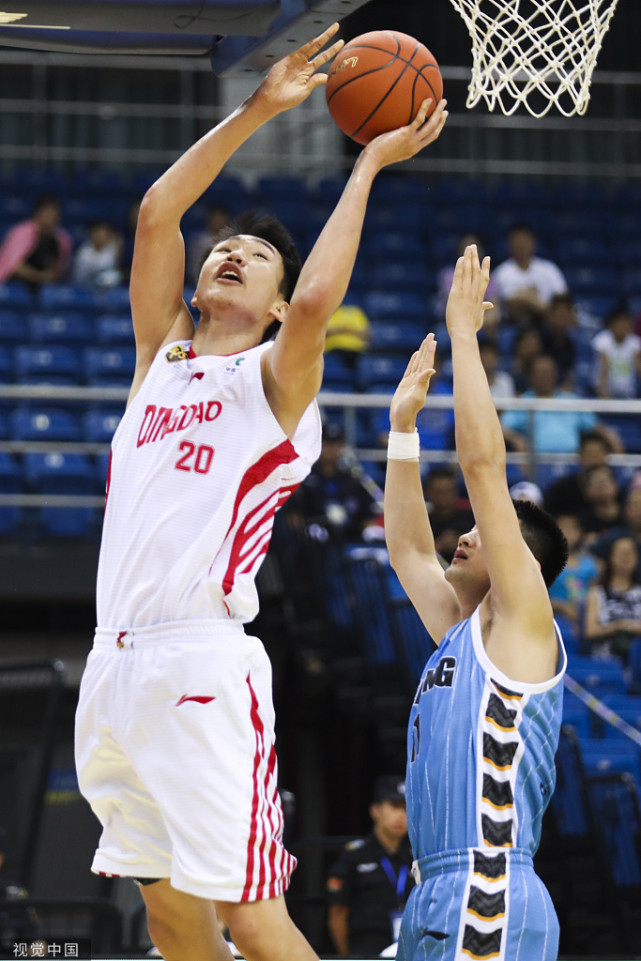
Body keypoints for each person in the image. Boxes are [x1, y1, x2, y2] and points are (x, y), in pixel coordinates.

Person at [73, 25, 448, 961]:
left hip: (201, 666)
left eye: (254, 255)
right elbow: (160, 209)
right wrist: (263, 108)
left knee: (251, 914)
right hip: (111, 669)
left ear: (278, 306)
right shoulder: (157, 362)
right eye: (223, 249)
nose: (228, 254)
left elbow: (320, 303)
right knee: (166, 917)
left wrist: (363, 167)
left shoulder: (275, 386)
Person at [384, 245, 569, 961]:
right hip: (433, 891)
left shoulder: (522, 621)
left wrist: (463, 335)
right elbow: (405, 551)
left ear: (521, 563)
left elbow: (482, 465)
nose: (462, 536)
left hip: (485, 889)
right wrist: (402, 429)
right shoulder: (463, 633)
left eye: (481, 532)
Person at [326, 777, 415, 958]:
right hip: (366, 950)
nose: (401, 815)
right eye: (394, 806)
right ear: (376, 811)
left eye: (406, 809)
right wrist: (347, 956)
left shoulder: (416, 857)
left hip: (409, 947)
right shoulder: (354, 856)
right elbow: (337, 915)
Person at [501, 353, 621, 455]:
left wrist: (610, 435)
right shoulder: (523, 402)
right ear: (531, 376)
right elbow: (502, 428)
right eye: (540, 372)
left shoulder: (571, 400)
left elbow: (594, 426)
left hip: (572, 460)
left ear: (555, 374)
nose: (545, 376)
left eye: (548, 372)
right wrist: (517, 440)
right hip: (538, 460)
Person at [283, 422, 381, 543]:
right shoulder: (304, 478)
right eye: (327, 444)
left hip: (349, 538)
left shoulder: (353, 480)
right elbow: (294, 517)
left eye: (336, 444)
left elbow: (367, 518)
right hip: (314, 541)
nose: (331, 449)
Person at [493, 224, 568, 326]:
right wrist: (534, 301)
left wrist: (525, 298)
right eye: (517, 241)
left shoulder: (549, 269)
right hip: (512, 325)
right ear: (510, 244)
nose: (521, 245)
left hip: (547, 325)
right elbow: (505, 305)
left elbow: (562, 301)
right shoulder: (501, 273)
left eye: (524, 241)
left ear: (533, 242)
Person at [584, 534, 641, 663]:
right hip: (606, 660)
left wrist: (631, 627)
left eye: (630, 552)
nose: (626, 557)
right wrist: (618, 626)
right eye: (621, 552)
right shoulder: (597, 592)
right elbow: (590, 631)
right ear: (610, 557)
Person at [0, 195, 72, 293]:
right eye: (47, 214)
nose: (51, 218)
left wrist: (51, 274)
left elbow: (60, 268)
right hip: (12, 284)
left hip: (44, 289)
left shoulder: (62, 238)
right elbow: (15, 266)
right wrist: (40, 276)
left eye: (55, 215)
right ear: (37, 213)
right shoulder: (21, 233)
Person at [543, 428, 614, 517]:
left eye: (598, 453)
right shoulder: (563, 490)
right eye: (590, 454)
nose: (595, 460)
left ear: (606, 455)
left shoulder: (616, 489)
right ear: (580, 456)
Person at [423, 464, 474, 564]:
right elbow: (415, 558)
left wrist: (463, 545)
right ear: (428, 492)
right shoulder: (422, 524)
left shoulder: (471, 520)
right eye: (438, 492)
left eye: (447, 492)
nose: (443, 498)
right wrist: (440, 545)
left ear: (456, 491)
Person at [592, 303, 641, 399]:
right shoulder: (602, 340)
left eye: (625, 322)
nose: (622, 326)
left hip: (627, 394)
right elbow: (604, 368)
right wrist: (604, 392)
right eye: (619, 322)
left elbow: (639, 366)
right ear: (611, 325)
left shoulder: (634, 343)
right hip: (604, 392)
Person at [187, 204, 232, 286]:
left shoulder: (233, 241)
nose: (218, 221)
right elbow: (194, 269)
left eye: (221, 217)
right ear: (209, 219)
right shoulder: (199, 242)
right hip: (201, 284)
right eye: (215, 217)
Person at [72, 220, 123, 289]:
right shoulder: (83, 252)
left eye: (103, 233)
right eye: (97, 233)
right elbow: (80, 276)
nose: (100, 236)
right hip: (84, 288)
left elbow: (114, 274)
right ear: (91, 234)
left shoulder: (111, 251)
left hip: (106, 290)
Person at [324, 301, 371, 368]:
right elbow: (322, 334)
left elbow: (367, 335)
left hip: (356, 351)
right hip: (333, 350)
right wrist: (343, 330)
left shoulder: (356, 313)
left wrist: (348, 330)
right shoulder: (329, 314)